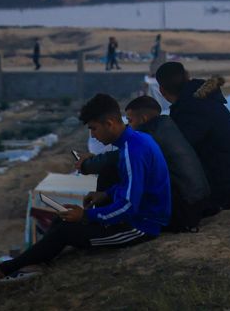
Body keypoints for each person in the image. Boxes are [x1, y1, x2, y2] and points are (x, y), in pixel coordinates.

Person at [0, 93, 170, 286]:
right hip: (137, 215)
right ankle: (32, 261)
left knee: (66, 231)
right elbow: (133, 185)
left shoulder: (133, 150)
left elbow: (129, 206)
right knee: (60, 219)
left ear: (109, 123)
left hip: (141, 226)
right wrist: (105, 194)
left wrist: (87, 215)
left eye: (93, 128)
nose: (93, 135)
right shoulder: (134, 142)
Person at [80, 96, 211, 232]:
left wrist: (86, 165)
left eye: (130, 121)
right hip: (198, 201)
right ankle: (105, 217)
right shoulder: (166, 126)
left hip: (183, 209)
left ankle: (104, 222)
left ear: (143, 119)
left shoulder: (146, 135)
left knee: (109, 171)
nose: (128, 125)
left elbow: (114, 158)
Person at [155, 63, 230, 210]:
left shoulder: (191, 110)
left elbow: (177, 153)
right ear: (187, 76)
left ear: (161, 90)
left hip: (225, 193)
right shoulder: (204, 101)